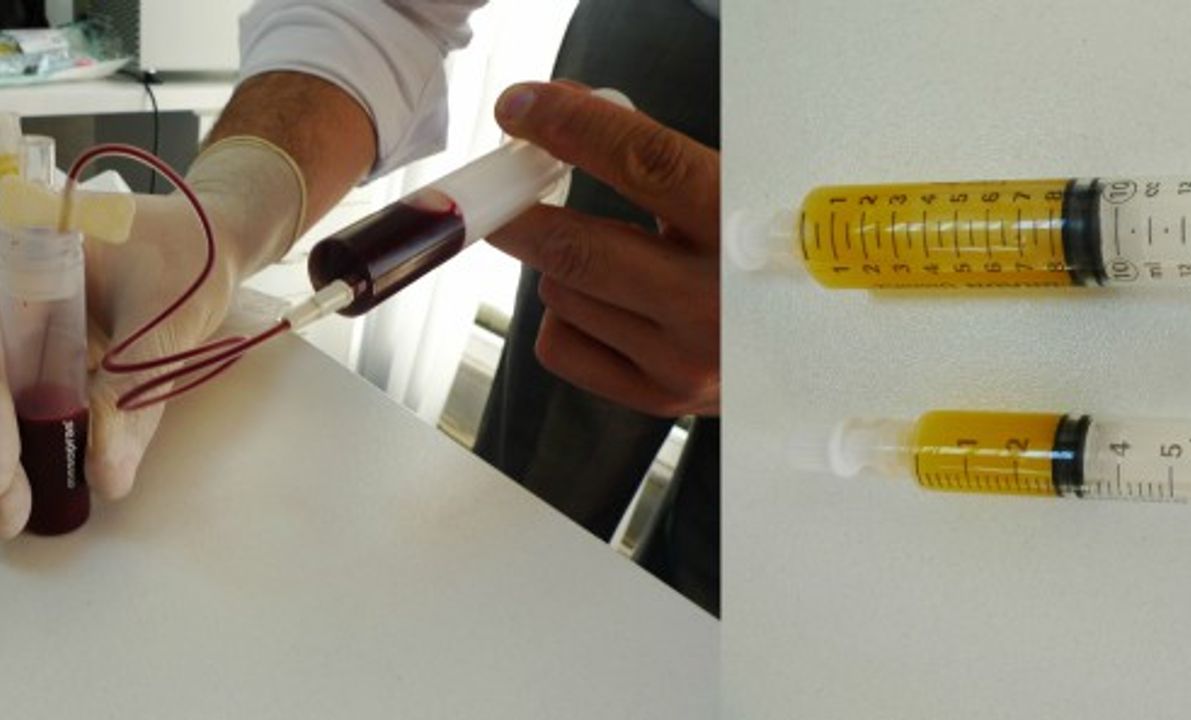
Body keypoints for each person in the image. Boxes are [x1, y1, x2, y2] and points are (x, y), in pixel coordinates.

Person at [0, 0, 720, 614]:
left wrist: (781, 333)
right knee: (536, 501)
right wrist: (227, 215)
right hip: (670, 34)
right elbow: (381, 7)